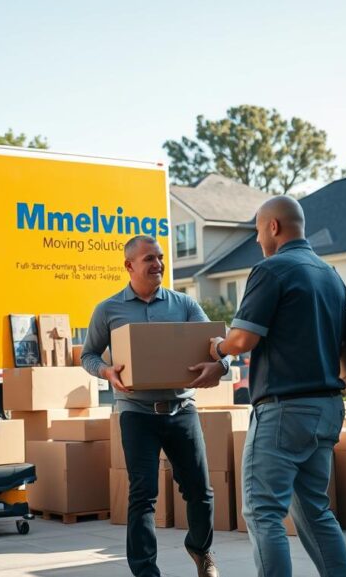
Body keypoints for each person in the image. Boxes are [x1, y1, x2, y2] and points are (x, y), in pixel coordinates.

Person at [209, 195, 346, 577]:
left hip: (284, 411)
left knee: (262, 512)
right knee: (314, 510)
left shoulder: (271, 270)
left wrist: (217, 347)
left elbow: (242, 340)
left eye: (258, 230)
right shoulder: (332, 277)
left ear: (273, 227)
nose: (257, 240)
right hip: (327, 409)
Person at [82, 235, 225, 577]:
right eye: (149, 258)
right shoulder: (108, 310)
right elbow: (87, 354)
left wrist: (221, 365)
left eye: (160, 257)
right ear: (129, 266)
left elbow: (216, 345)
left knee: (201, 493)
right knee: (143, 495)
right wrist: (105, 371)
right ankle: (146, 571)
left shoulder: (184, 305)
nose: (158, 264)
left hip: (181, 410)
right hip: (136, 413)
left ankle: (200, 549)